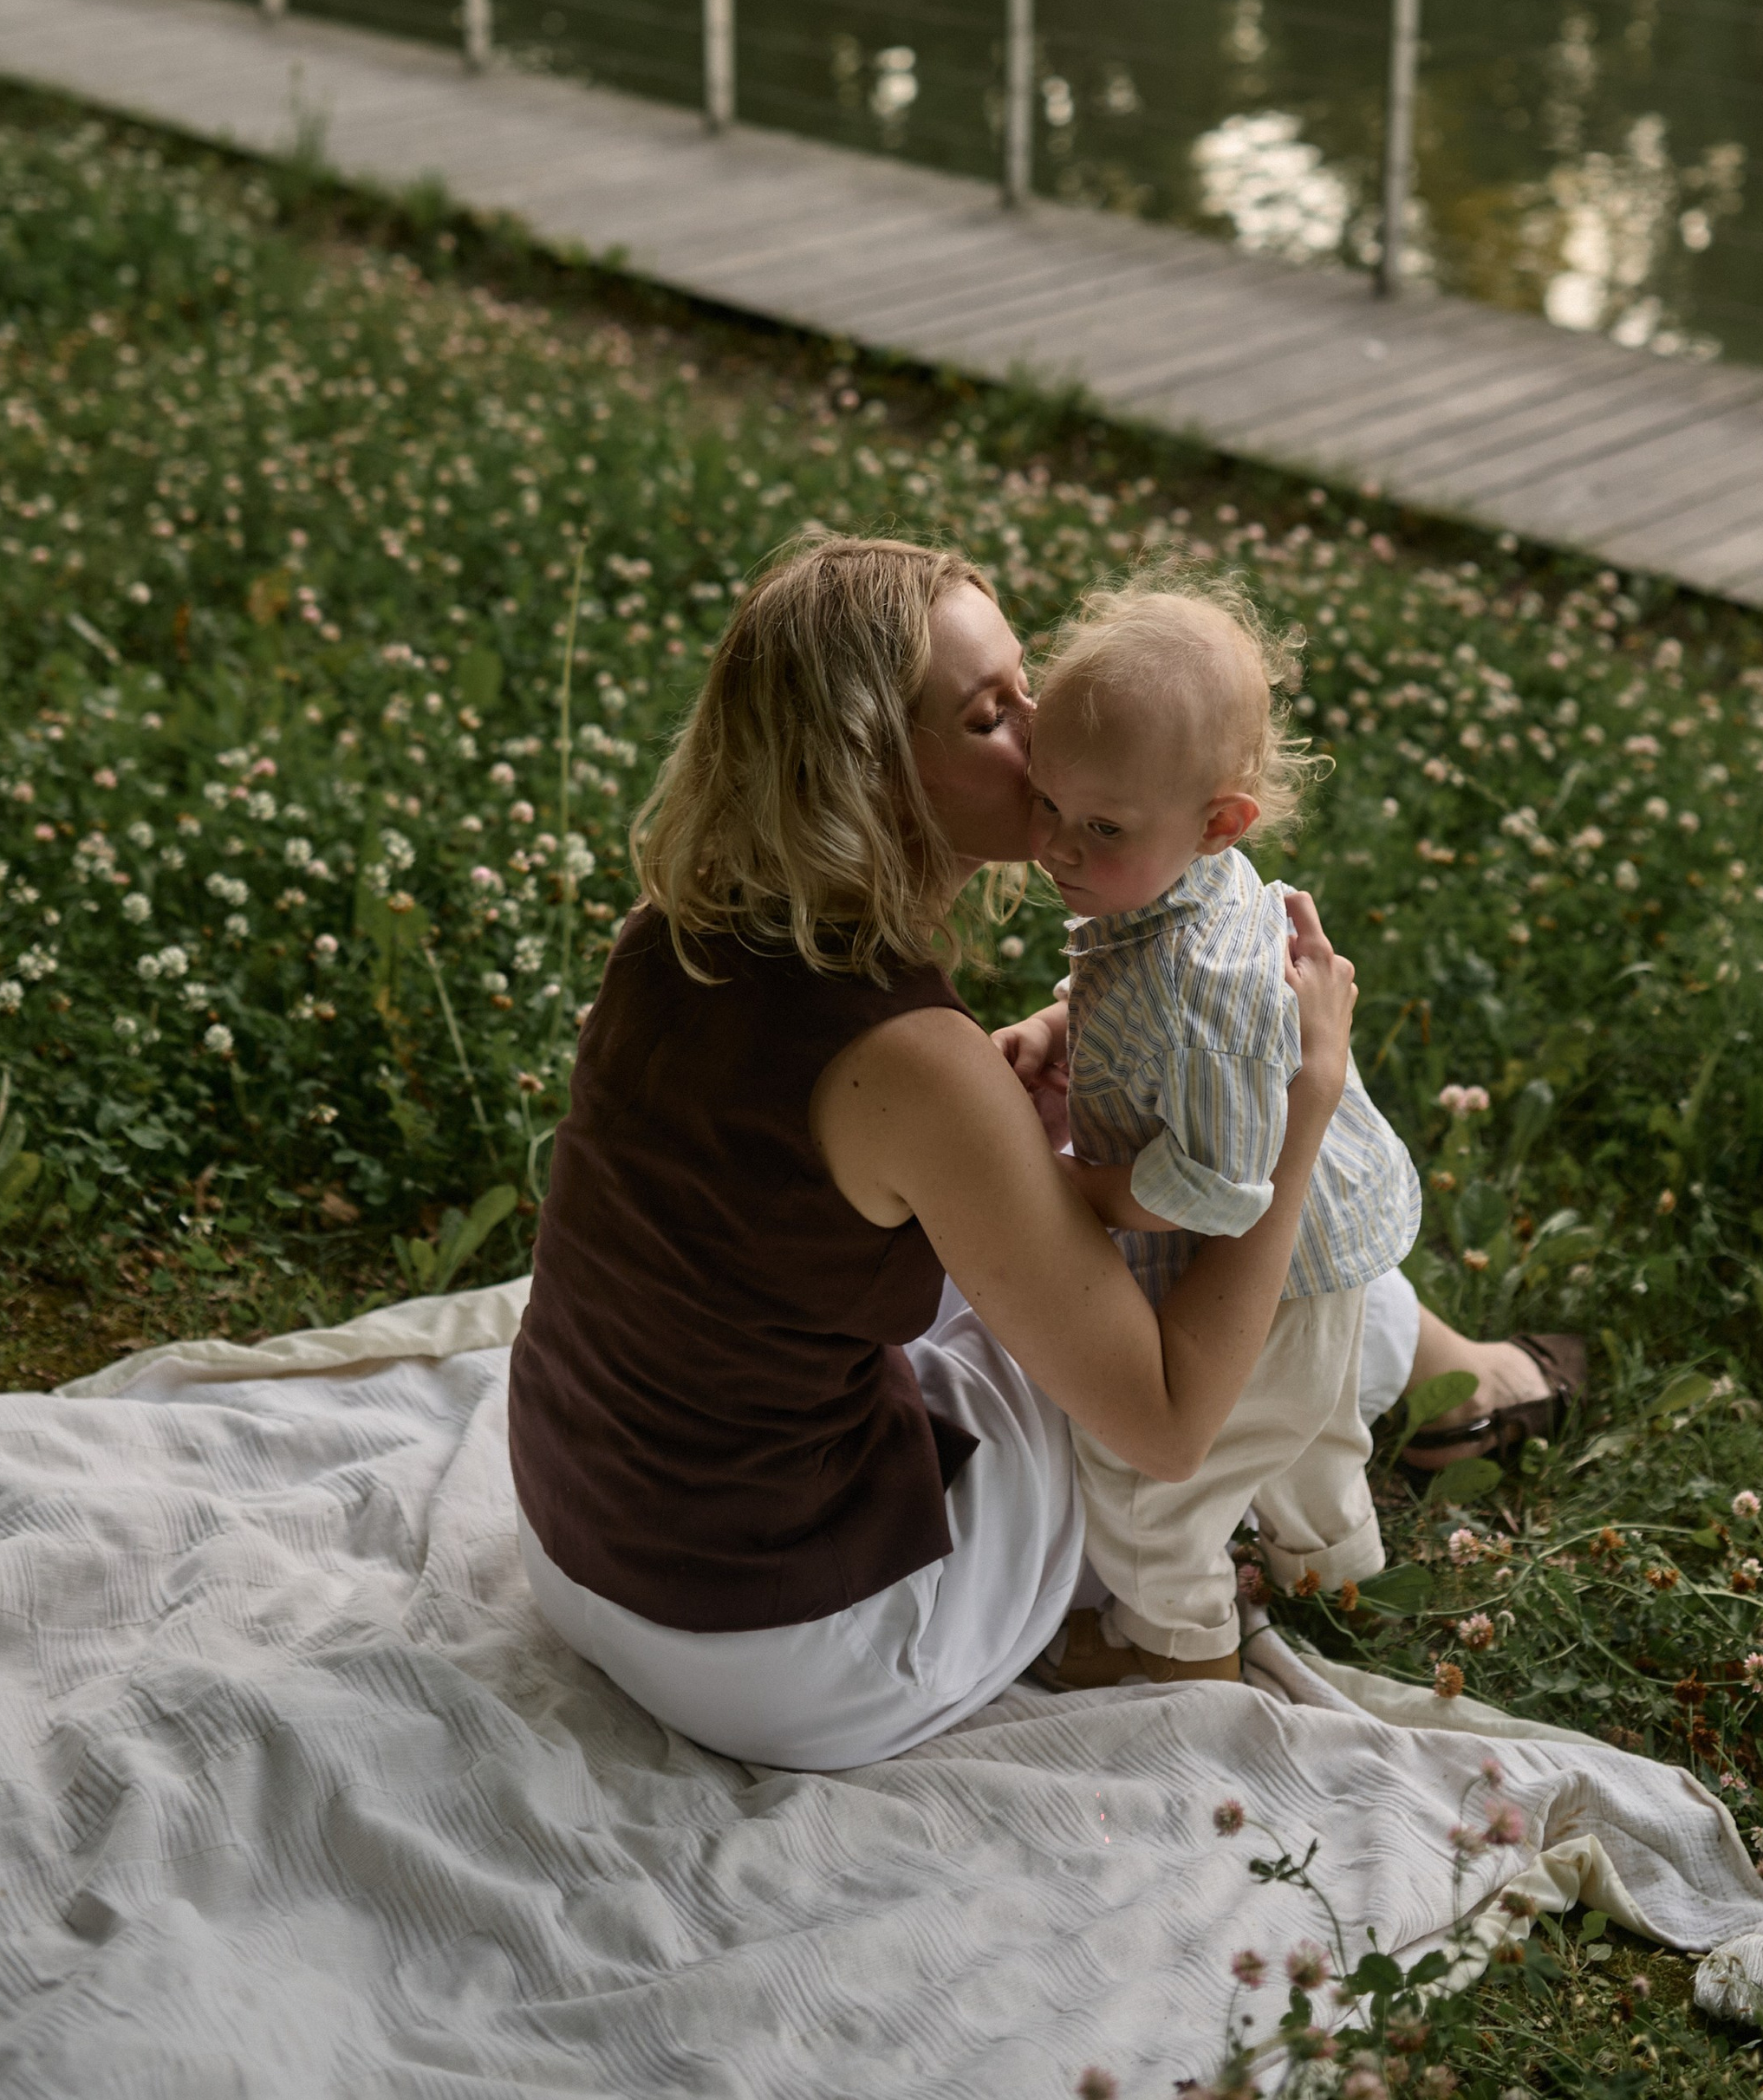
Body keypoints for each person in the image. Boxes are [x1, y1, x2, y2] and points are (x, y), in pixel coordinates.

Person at [505, 530, 1576, 1771]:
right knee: (1256, 1261)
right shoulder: (913, 1064)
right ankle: (1471, 1392)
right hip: (794, 1638)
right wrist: (1304, 1103)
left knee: (1165, 1190)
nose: (1041, 720)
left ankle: (1464, 1375)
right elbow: (1170, 1422)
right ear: (864, 771)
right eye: (988, 711)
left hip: (585, 1543)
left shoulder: (676, 920)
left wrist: (1038, 1115)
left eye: (1026, 682)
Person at [996, 581, 1421, 1692]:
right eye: (1046, 802)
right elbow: (1124, 991)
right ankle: (1328, 1568)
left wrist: (1081, 1194)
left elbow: (1222, 1189)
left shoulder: (1204, 985)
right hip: (1322, 1251)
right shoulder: (1177, 888)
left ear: (1220, 820)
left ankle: (1177, 1647)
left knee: (1153, 1488)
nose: (1055, 846)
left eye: (1099, 826)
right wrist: (1058, 1024)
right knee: (1313, 1429)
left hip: (1260, 1274)